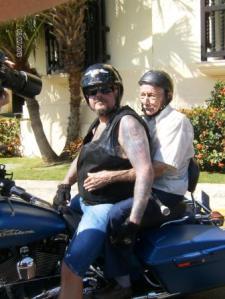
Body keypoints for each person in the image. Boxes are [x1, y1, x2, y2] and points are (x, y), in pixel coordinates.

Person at [83, 70, 195, 298]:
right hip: (146, 188)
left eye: (153, 96)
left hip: (166, 194)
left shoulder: (176, 122)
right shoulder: (144, 120)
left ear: (168, 96)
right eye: (143, 95)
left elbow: (158, 169)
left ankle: (126, 284)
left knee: (116, 216)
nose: (146, 101)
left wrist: (110, 177)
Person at [54, 63, 154, 299]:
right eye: (91, 91)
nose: (98, 94)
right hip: (86, 200)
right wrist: (64, 185)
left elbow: (145, 171)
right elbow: (82, 156)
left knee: (70, 267)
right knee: (50, 222)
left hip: (102, 206)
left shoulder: (126, 123)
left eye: (104, 88)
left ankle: (112, 282)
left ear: (116, 91)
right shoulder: (99, 124)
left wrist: (133, 222)